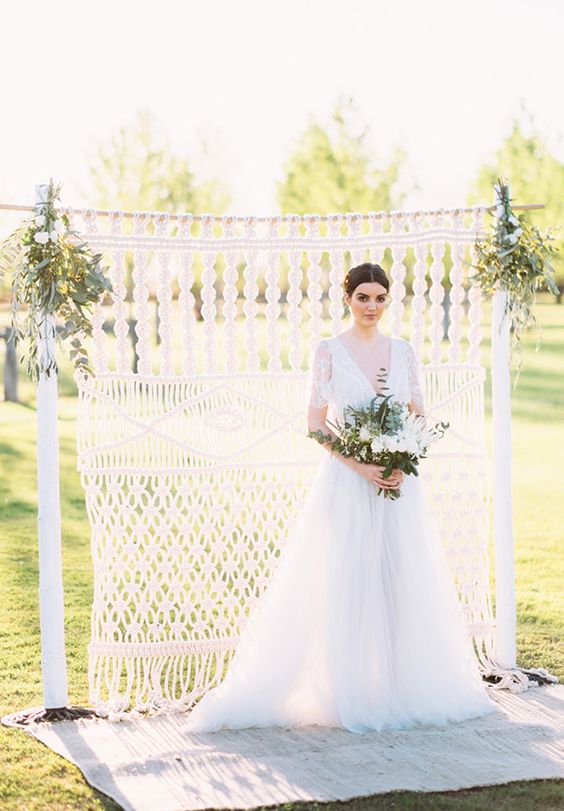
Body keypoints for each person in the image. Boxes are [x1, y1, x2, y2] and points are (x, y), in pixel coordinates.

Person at [184, 263, 495, 734]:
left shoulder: (403, 352)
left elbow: (418, 416)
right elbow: (315, 424)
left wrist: (399, 459)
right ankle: (344, 688)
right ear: (347, 298)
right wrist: (361, 464)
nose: (372, 306)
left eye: (380, 298)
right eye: (363, 297)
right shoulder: (328, 352)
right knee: (342, 580)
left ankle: (400, 685)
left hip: (396, 486)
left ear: (389, 301)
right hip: (346, 484)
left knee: (398, 580)